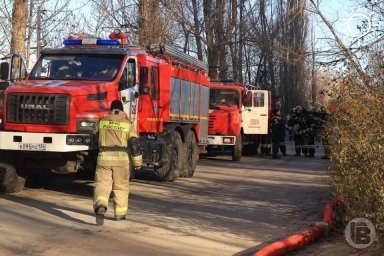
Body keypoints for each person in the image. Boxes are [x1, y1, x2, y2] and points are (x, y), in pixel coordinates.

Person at [93, 100, 142, 226]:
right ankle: (119, 214)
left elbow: (93, 138)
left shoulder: (102, 121)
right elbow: (134, 144)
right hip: (121, 160)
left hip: (104, 158)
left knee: (102, 185)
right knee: (121, 187)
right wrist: (138, 163)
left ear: (111, 109)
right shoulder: (127, 124)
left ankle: (100, 206)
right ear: (121, 110)